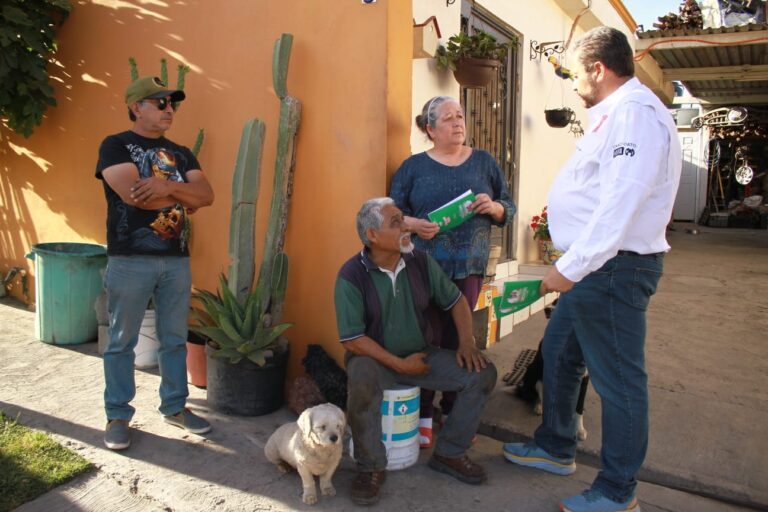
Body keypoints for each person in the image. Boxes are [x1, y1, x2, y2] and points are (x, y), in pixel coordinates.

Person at [502, 27, 682, 512]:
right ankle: (556, 446)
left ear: (598, 70)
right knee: (560, 354)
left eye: (574, 72)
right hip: (594, 269)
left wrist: (571, 267)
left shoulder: (636, 116)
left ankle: (618, 492)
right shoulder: (613, 116)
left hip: (612, 269)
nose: (573, 81)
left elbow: (620, 205)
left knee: (620, 381)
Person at [335, 198, 497, 506]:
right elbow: (352, 339)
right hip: (373, 358)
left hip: (422, 355)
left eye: (403, 220)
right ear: (371, 234)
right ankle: (370, 467)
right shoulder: (351, 275)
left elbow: (456, 301)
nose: (405, 227)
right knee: (362, 377)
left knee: (482, 374)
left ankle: (449, 453)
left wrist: (467, 342)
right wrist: (399, 364)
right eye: (395, 222)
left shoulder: (420, 261)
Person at [95, 76, 215, 450]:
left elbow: (207, 194)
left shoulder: (181, 152)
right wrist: (181, 195)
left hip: (175, 259)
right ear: (136, 107)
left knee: (174, 339)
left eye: (172, 104)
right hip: (130, 257)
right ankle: (117, 415)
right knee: (121, 341)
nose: (169, 110)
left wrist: (165, 187)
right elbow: (135, 197)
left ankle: (175, 406)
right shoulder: (116, 146)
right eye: (159, 103)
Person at [390, 96, 515, 448]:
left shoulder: (483, 163)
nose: (458, 123)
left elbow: (509, 206)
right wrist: (414, 224)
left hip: (469, 266)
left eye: (460, 116)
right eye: (447, 118)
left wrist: (494, 207)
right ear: (430, 129)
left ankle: (457, 411)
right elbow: (392, 212)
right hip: (424, 268)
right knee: (428, 339)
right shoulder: (412, 168)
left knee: (462, 340)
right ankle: (425, 414)